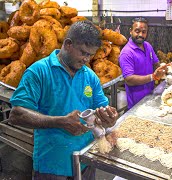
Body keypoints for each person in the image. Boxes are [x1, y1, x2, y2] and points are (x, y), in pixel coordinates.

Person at [8, 20, 119, 179]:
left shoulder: (90, 76)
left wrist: (109, 118)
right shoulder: (39, 72)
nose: (86, 59)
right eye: (83, 52)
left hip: (86, 161)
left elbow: (103, 109)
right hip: (52, 165)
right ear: (68, 44)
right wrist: (59, 121)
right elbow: (16, 114)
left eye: (90, 55)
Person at [119, 17, 168, 110]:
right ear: (131, 31)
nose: (140, 34)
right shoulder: (127, 53)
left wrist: (166, 67)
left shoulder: (147, 46)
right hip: (136, 103)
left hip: (150, 96)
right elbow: (129, 79)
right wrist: (153, 77)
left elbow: (156, 63)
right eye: (137, 31)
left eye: (144, 32)